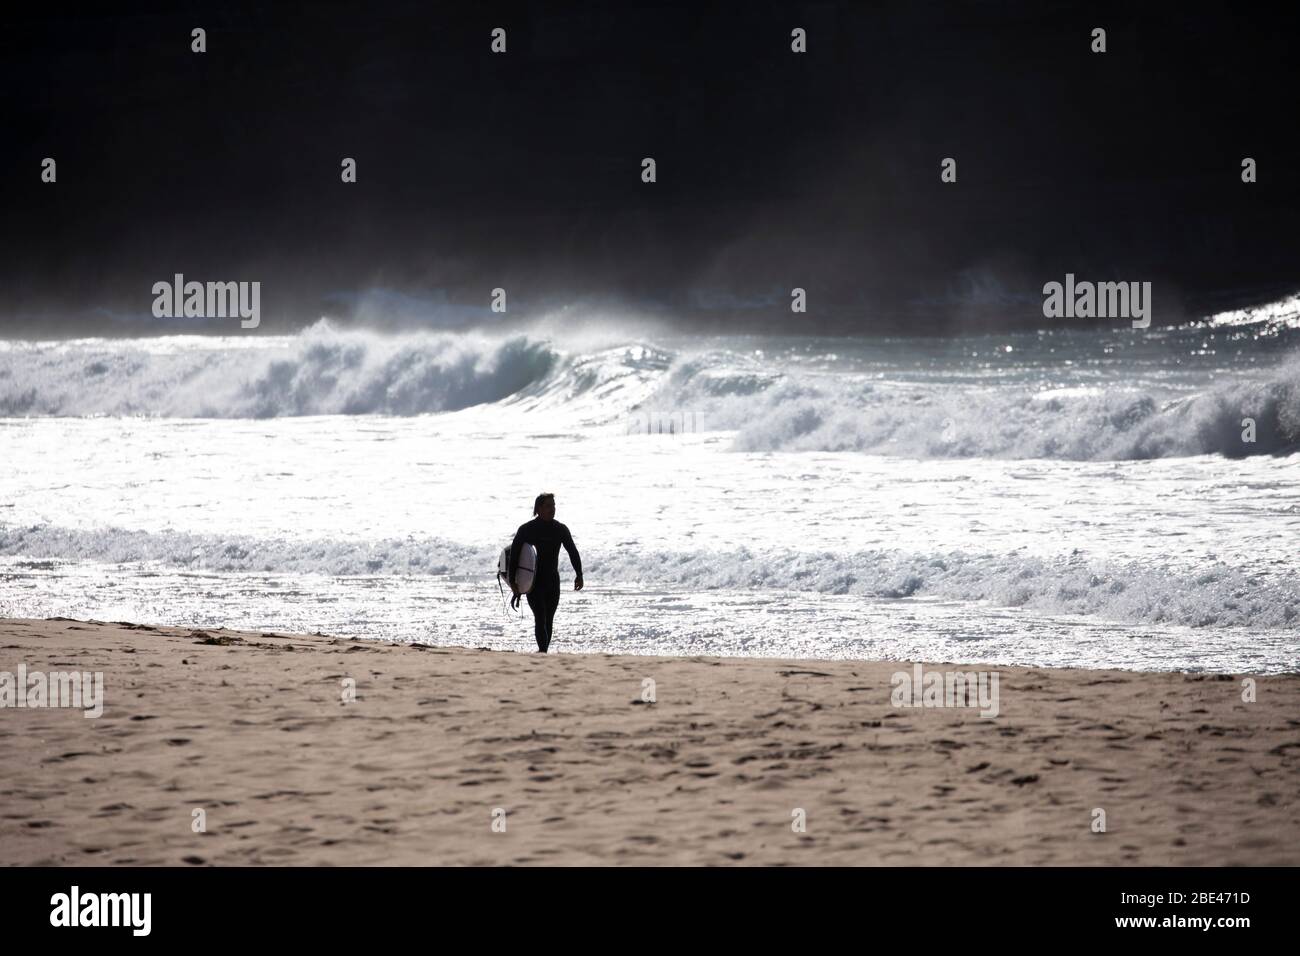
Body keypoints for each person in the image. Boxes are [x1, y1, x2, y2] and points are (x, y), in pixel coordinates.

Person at [508, 492, 583, 653]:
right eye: (548, 506)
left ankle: (543, 651)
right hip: (534, 583)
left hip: (552, 582)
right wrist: (514, 582)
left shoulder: (560, 529)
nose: (552, 509)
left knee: (549, 619)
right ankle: (543, 652)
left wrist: (579, 574)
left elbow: (572, 551)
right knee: (540, 617)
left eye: (554, 505)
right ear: (539, 508)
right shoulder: (527, 529)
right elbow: (514, 556)